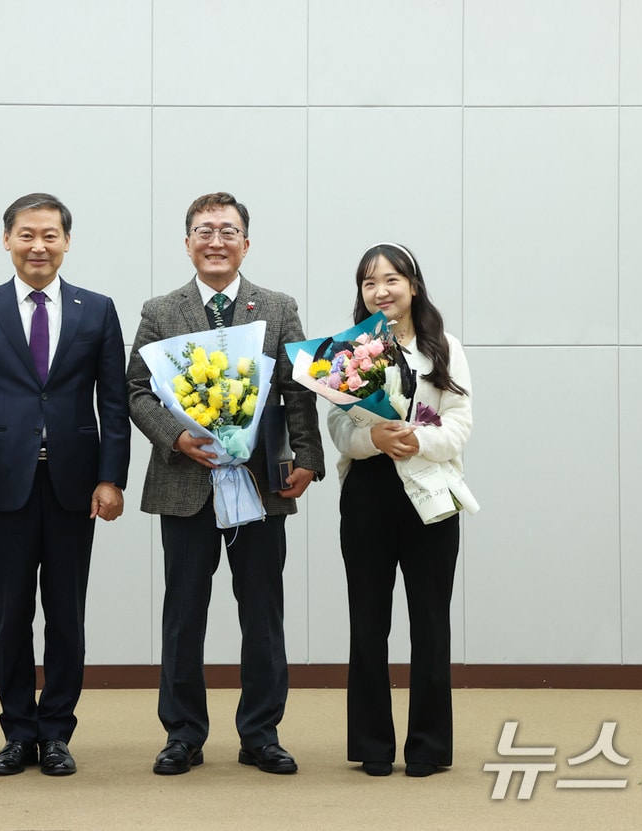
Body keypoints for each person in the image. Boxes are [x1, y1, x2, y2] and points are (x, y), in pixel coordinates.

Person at [125, 192, 325, 776]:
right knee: (184, 615)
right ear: (187, 242)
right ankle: (183, 734)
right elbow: (137, 390)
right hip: (185, 482)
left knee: (262, 613)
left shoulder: (279, 307)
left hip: (263, 486)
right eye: (204, 231)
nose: (216, 240)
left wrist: (307, 457)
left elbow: (297, 390)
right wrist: (176, 438)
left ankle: (261, 733)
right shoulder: (161, 310)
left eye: (228, 231)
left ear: (246, 242)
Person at [0, 192, 131, 777]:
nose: (38, 246)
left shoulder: (97, 310)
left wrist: (111, 478)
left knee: (66, 614)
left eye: (50, 235)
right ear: (7, 240)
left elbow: (113, 402)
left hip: (74, 485)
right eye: (27, 234)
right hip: (2, 485)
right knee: (9, 614)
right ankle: (15, 732)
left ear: (67, 242)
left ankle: (56, 732)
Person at [326, 242, 472, 779]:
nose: (380, 291)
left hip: (430, 491)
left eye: (390, 280)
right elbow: (340, 428)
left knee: (430, 621)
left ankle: (429, 745)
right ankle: (372, 745)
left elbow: (460, 423)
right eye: (369, 283)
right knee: (368, 621)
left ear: (413, 285)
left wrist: (414, 439)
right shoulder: (347, 350)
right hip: (368, 493)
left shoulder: (444, 348)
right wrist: (374, 441)